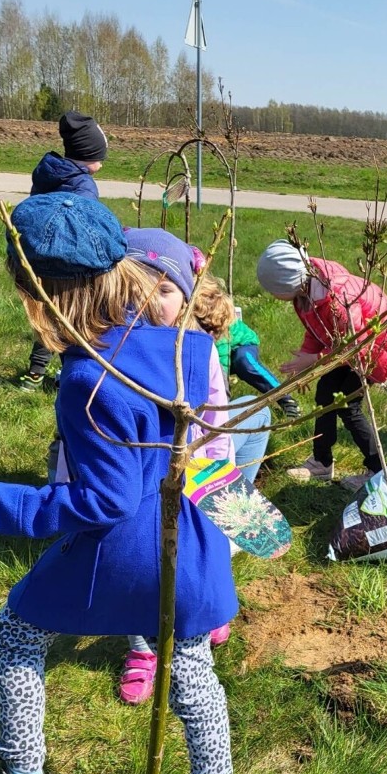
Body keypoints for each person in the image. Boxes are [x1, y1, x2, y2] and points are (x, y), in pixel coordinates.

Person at [0, 193, 245, 774]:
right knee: (192, 670)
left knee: (19, 633)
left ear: (42, 298)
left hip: (120, 550)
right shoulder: (181, 346)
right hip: (181, 541)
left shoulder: (88, 378)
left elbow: (100, 502)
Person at [117, 228, 271, 705]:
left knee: (200, 550)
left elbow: (216, 418)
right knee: (138, 564)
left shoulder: (198, 352)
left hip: (194, 473)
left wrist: (208, 473)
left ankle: (208, 611)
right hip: (136, 478)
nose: (148, 301)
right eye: (135, 288)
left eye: (163, 290)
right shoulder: (114, 348)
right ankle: (143, 650)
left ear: (183, 299)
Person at [255, 239, 387, 491]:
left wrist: (316, 361)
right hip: (351, 344)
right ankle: (321, 463)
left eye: (273, 290)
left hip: (379, 345)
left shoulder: (337, 296)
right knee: (325, 394)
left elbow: (356, 343)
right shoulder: (306, 289)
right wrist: (306, 360)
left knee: (349, 406)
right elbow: (319, 329)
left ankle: (379, 472)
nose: (272, 295)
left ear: (287, 284)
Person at [19, 111, 109, 391]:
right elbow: (86, 221)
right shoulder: (82, 184)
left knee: (48, 312)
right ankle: (74, 373)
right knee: (74, 315)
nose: (103, 163)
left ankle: (35, 373)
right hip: (71, 258)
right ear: (88, 154)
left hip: (42, 254)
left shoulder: (49, 171)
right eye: (100, 156)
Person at [217, 315, 302, 421]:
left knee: (245, 363)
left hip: (241, 344)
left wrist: (223, 398)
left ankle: (286, 399)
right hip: (219, 352)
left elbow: (221, 360)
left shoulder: (214, 319)